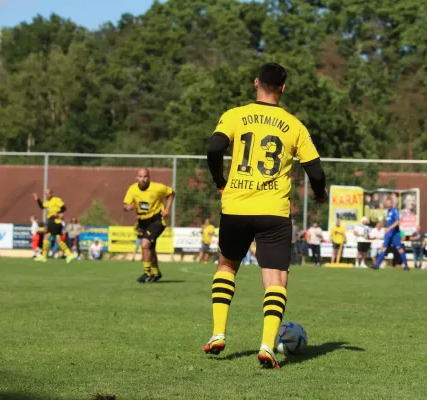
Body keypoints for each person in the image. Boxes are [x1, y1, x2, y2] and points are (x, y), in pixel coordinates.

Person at [203, 62, 328, 369]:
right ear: (283, 89)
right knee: (275, 279)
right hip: (273, 211)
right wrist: (320, 194)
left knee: (227, 266)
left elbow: (213, 148)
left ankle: (218, 334)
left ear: (256, 82)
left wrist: (221, 182)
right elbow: (316, 171)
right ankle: (266, 346)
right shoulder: (294, 125)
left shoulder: (235, 115)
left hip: (235, 206)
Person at [123, 168, 175, 283]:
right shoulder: (132, 189)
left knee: (145, 244)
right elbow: (125, 204)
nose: (143, 179)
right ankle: (156, 273)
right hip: (143, 222)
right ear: (137, 178)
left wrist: (167, 209)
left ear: (149, 177)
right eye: (140, 177)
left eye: (145, 177)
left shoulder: (157, 188)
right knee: (150, 248)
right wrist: (128, 207)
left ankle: (146, 273)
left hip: (156, 220)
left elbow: (171, 193)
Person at [32, 189, 76, 263]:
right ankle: (69, 255)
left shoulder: (56, 200)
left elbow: (64, 208)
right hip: (54, 222)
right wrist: (37, 199)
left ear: (51, 193)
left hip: (55, 221)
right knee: (58, 240)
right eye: (46, 194)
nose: (47, 195)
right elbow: (42, 207)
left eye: (48, 193)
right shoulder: (47, 202)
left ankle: (44, 256)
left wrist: (58, 213)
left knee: (46, 236)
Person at [375, 197, 409, 270]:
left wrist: (389, 228)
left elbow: (398, 222)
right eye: (386, 203)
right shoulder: (387, 212)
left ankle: (406, 266)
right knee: (383, 248)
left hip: (395, 233)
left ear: (391, 203)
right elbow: (388, 223)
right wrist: (384, 223)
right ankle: (377, 265)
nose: (387, 204)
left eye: (389, 203)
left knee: (400, 249)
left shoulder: (394, 211)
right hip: (389, 234)